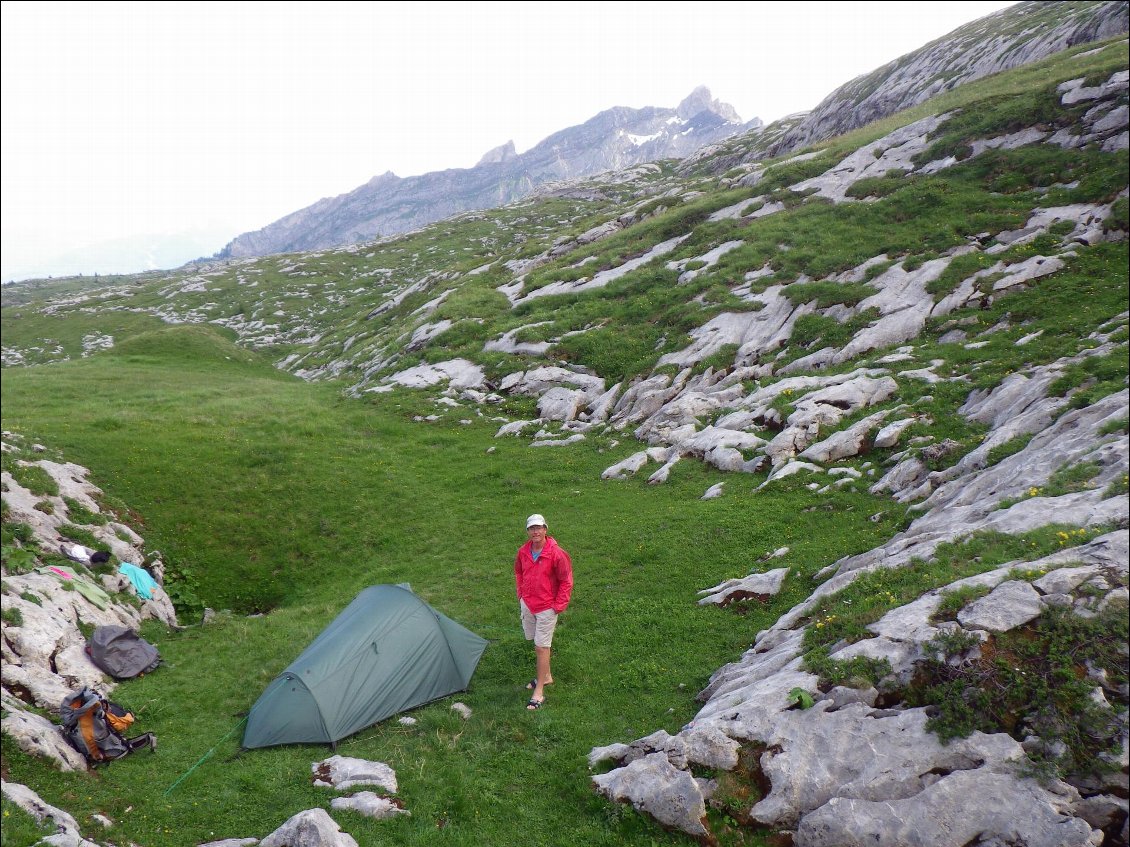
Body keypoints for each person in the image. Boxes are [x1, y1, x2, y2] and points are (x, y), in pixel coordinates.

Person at [514, 513, 573, 710]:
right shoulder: (523, 552)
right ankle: (546, 676)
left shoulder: (556, 553)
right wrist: (521, 594)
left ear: (545, 529)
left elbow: (566, 580)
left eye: (539, 527)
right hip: (528, 604)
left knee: (541, 647)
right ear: (528, 531)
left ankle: (539, 691)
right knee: (535, 642)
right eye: (532, 528)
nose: (535, 531)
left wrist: (559, 605)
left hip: (547, 607)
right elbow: (519, 572)